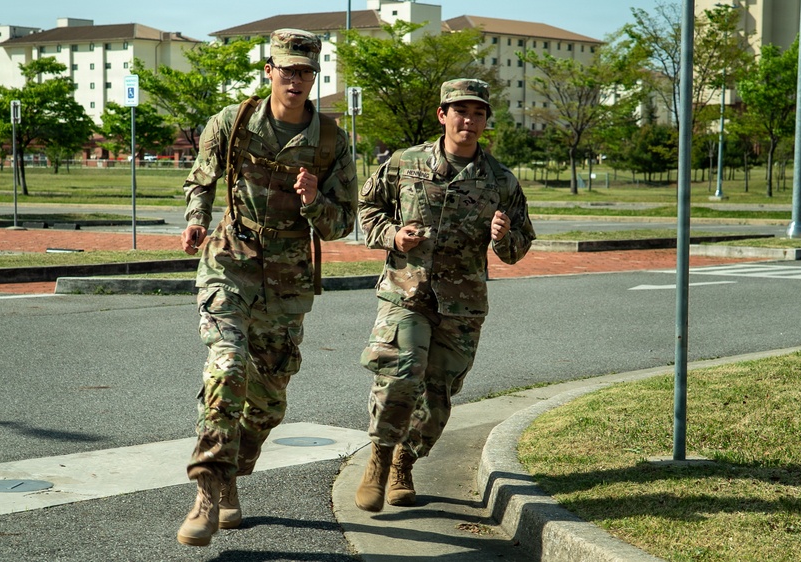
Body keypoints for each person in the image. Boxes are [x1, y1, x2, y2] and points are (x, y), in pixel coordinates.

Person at [176, 28, 357, 546]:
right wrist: (196, 218)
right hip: (230, 259)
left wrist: (313, 200)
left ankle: (233, 472)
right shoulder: (233, 122)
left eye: (305, 71)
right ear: (269, 71)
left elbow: (342, 223)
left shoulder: (330, 141)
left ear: (313, 77)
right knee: (227, 366)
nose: (295, 79)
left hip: (287, 275)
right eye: (287, 69)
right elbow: (200, 179)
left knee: (269, 402)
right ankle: (207, 492)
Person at [354, 78, 535, 512]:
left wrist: (503, 237)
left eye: (477, 113)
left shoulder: (501, 181)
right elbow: (368, 209)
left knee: (436, 398)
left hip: (461, 305)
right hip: (406, 293)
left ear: (486, 121)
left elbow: (519, 247)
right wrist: (393, 235)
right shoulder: (405, 163)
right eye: (460, 111)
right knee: (401, 372)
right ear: (443, 115)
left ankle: (405, 461)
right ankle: (378, 458)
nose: (468, 120)